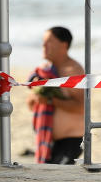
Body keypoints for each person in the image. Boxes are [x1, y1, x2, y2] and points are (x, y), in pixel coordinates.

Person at [25, 26, 85, 164]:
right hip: (47, 139)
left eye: (49, 42)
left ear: (63, 45)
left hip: (71, 141)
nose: (43, 45)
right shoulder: (44, 70)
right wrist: (36, 95)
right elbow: (31, 105)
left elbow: (81, 107)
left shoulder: (74, 71)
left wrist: (50, 100)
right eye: (43, 41)